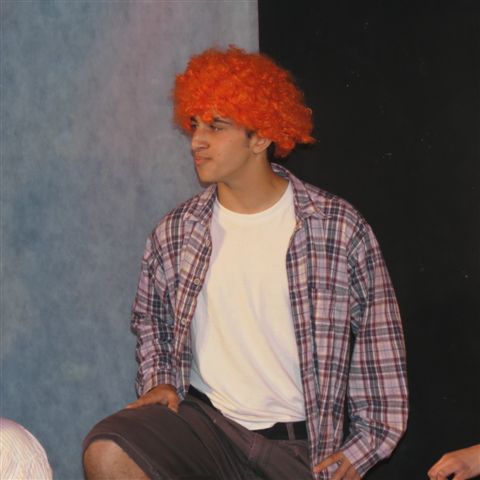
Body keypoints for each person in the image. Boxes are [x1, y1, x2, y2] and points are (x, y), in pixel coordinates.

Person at [82, 46, 408, 480]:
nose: (197, 141)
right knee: (108, 450)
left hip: (298, 446)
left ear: (262, 137)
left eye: (216, 127)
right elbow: (152, 320)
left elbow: (378, 338)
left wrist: (365, 445)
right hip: (204, 425)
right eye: (195, 124)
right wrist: (160, 379)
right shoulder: (176, 231)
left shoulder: (337, 227)